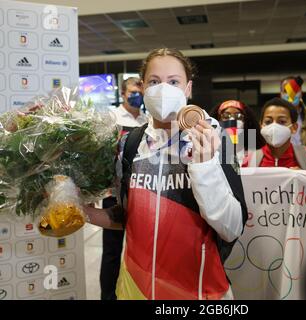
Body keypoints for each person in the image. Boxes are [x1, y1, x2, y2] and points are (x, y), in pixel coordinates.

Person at [84, 48, 247, 300]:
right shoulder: (130, 143)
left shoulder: (214, 139)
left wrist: (203, 166)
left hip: (197, 292)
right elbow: (128, 216)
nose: (163, 89)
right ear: (143, 87)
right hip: (134, 289)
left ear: (188, 88)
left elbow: (232, 227)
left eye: (173, 82)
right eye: (154, 82)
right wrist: (82, 211)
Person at [100, 77, 149, 300]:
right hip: (114, 195)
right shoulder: (111, 119)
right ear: (122, 93)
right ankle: (108, 297)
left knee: (141, 250)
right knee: (111, 253)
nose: (136, 95)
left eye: (140, 90)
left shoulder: (148, 120)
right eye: (132, 91)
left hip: (141, 196)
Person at [244, 97, 306, 175]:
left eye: (282, 121)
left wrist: (305, 178)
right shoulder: (249, 160)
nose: (274, 126)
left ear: (294, 128)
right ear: (261, 126)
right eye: (268, 122)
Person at [210, 100, 265, 167]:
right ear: (218, 121)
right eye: (226, 116)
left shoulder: (257, 153)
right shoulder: (211, 153)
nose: (232, 120)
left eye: (238, 116)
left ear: (245, 122)